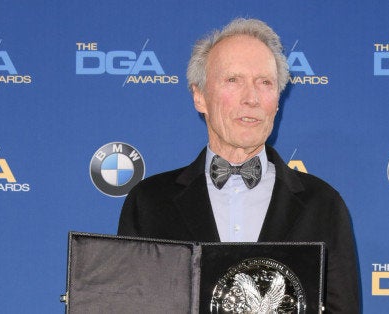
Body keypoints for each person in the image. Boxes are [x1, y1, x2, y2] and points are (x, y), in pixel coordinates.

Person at [118, 17, 360, 313]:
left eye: (265, 83)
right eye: (234, 80)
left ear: (278, 100)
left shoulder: (323, 205)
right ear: (199, 96)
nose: (252, 98)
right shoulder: (149, 202)